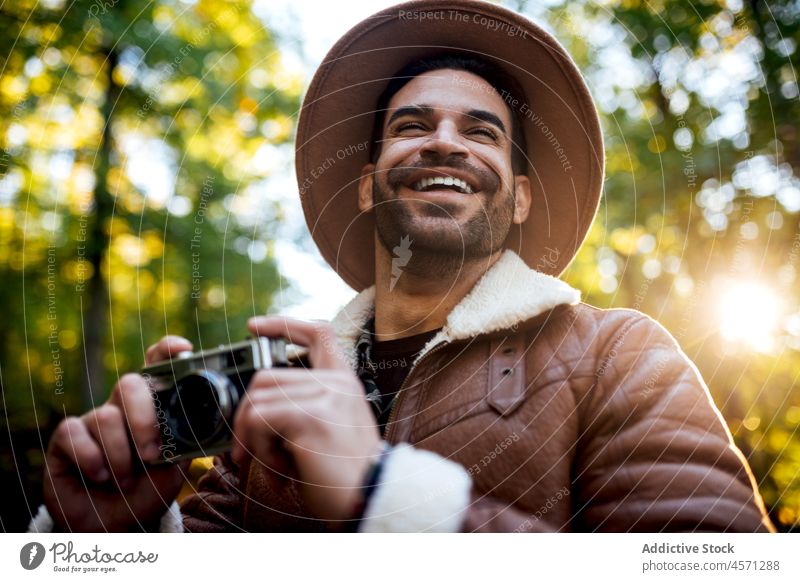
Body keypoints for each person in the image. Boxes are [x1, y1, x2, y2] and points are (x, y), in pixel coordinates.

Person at [32, 0, 774, 533]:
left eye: (480, 132)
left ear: (519, 199)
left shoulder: (618, 353)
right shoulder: (274, 395)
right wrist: (101, 539)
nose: (443, 143)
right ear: (367, 183)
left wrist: (386, 495)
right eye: (411, 126)